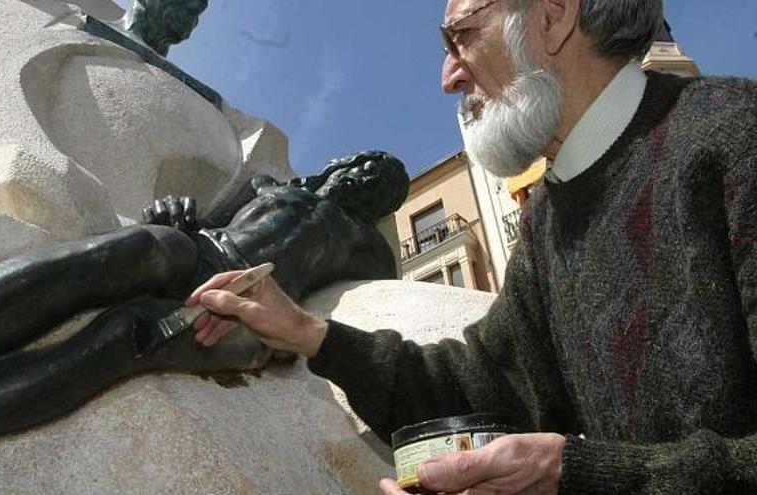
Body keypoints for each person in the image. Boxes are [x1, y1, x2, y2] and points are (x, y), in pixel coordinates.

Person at [189, 0, 757, 493]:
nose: (448, 78)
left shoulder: (736, 136)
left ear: (553, 16)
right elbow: (482, 385)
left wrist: (572, 474)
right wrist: (305, 332)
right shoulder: (547, 225)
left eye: (461, 36)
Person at [0, 150, 408, 469]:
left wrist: (293, 338)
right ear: (340, 163)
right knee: (122, 252)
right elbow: (199, 220)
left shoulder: (367, 246)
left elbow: (380, 299)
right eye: (367, 168)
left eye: (381, 187)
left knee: (126, 335)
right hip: (207, 250)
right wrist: (171, 210)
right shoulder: (267, 186)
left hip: (255, 310)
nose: (368, 181)